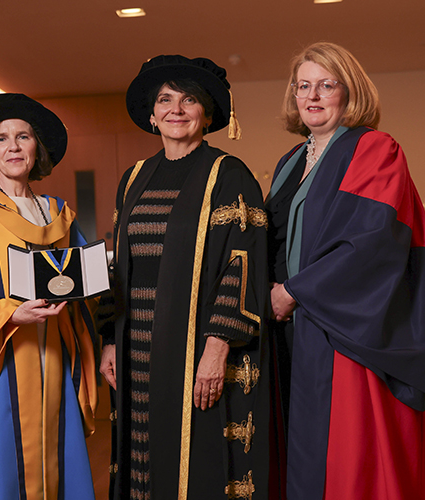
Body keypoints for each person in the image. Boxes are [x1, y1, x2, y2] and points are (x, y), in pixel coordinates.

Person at [266, 42, 425, 499]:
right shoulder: (290, 162)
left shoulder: (375, 149)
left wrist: (292, 292)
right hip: (291, 330)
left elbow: (372, 241)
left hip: (344, 331)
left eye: (327, 85)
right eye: (303, 85)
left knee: (349, 461)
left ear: (350, 91)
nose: (312, 96)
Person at [99, 55, 270, 499]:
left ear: (207, 115)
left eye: (188, 100)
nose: (176, 109)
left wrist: (216, 347)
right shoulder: (134, 177)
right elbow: (118, 265)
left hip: (194, 344)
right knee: (140, 452)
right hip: (136, 343)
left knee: (193, 458)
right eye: (165, 100)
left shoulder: (229, 175)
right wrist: (110, 340)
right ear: (152, 115)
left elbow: (241, 264)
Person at [0, 93, 98, 499]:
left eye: (23, 137)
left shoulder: (60, 215)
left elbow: (84, 288)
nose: (13, 147)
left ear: (36, 148)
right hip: (1, 362)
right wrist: (10, 313)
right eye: (2, 139)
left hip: (55, 355)